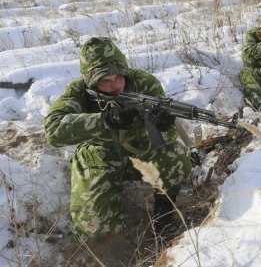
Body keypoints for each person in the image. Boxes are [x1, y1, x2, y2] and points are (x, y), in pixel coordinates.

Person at [44, 37, 192, 241]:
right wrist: (104, 120)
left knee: (177, 157)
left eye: (119, 77)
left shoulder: (144, 83)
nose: (115, 85)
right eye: (105, 80)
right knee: (94, 229)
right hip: (100, 157)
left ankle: (163, 218)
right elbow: (53, 130)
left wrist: (164, 124)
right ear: (91, 80)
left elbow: (166, 138)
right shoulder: (78, 92)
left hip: (141, 150)